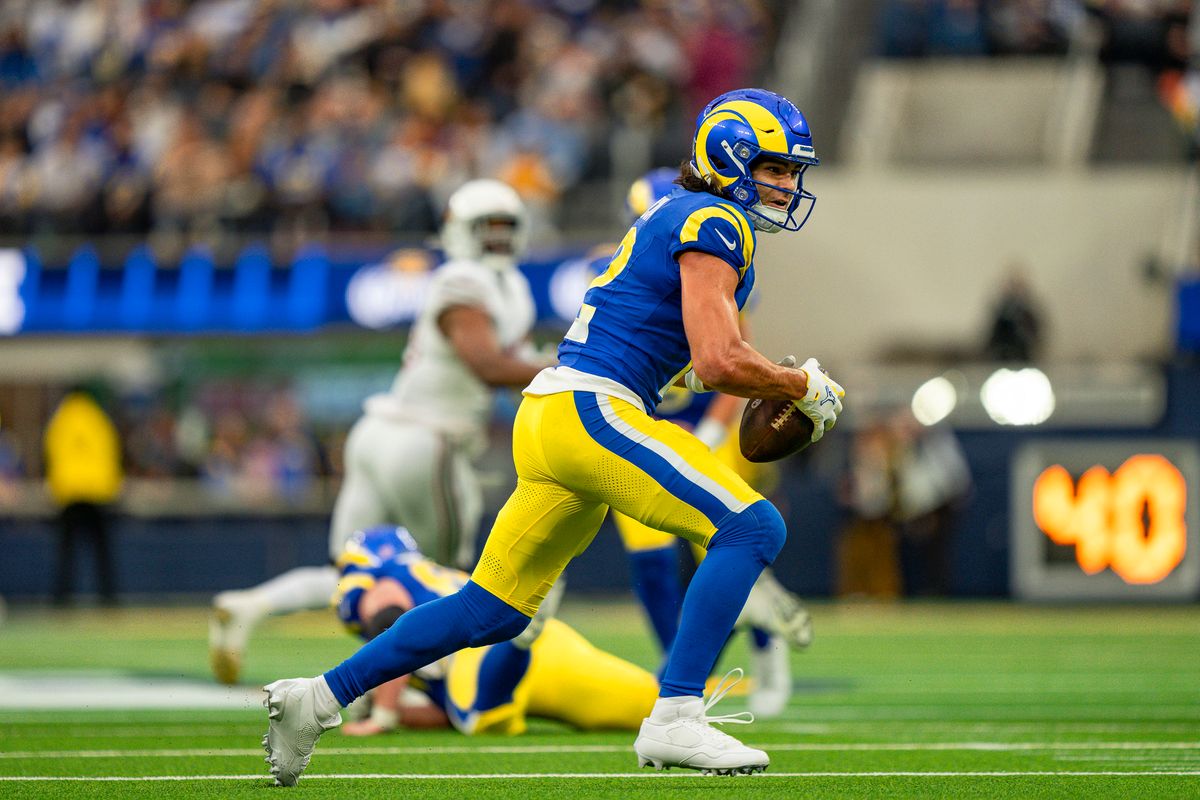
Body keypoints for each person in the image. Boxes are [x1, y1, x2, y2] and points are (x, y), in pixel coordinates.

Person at [261, 87, 844, 784]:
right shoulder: (715, 220)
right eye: (775, 168)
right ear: (730, 158)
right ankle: (677, 717)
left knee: (491, 609)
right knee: (753, 528)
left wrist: (776, 378)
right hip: (589, 411)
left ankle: (317, 698)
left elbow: (679, 358)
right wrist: (799, 386)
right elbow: (720, 360)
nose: (785, 185)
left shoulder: (682, 215)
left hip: (554, 414)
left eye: (790, 172)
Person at [209, 179, 551, 684]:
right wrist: (564, 368)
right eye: (488, 230)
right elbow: (487, 365)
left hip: (379, 433)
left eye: (505, 229)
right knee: (445, 575)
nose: (497, 240)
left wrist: (543, 368)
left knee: (352, 569)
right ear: (461, 232)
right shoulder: (464, 281)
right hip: (426, 440)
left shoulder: (506, 287)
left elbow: (504, 364)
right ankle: (428, 681)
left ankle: (250, 606)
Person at [605, 168, 812, 719]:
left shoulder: (714, 251)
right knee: (649, 560)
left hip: (703, 428)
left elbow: (731, 356)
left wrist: (714, 434)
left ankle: (762, 649)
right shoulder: (628, 267)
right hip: (635, 421)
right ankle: (677, 671)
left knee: (730, 543)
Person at [330, 526, 659, 737]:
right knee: (649, 704)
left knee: (479, 717)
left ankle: (517, 645)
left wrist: (383, 715)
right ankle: (522, 637)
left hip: (478, 661)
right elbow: (444, 715)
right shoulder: (434, 573)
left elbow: (388, 617)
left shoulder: (381, 581)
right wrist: (395, 708)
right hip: (549, 641)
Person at [43, 383, 124, 606]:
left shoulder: (61, 420)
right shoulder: (99, 418)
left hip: (69, 494)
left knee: (67, 551)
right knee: (101, 552)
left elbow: (51, 455)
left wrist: (55, 487)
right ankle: (108, 598)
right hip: (98, 493)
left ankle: (61, 599)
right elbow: (111, 453)